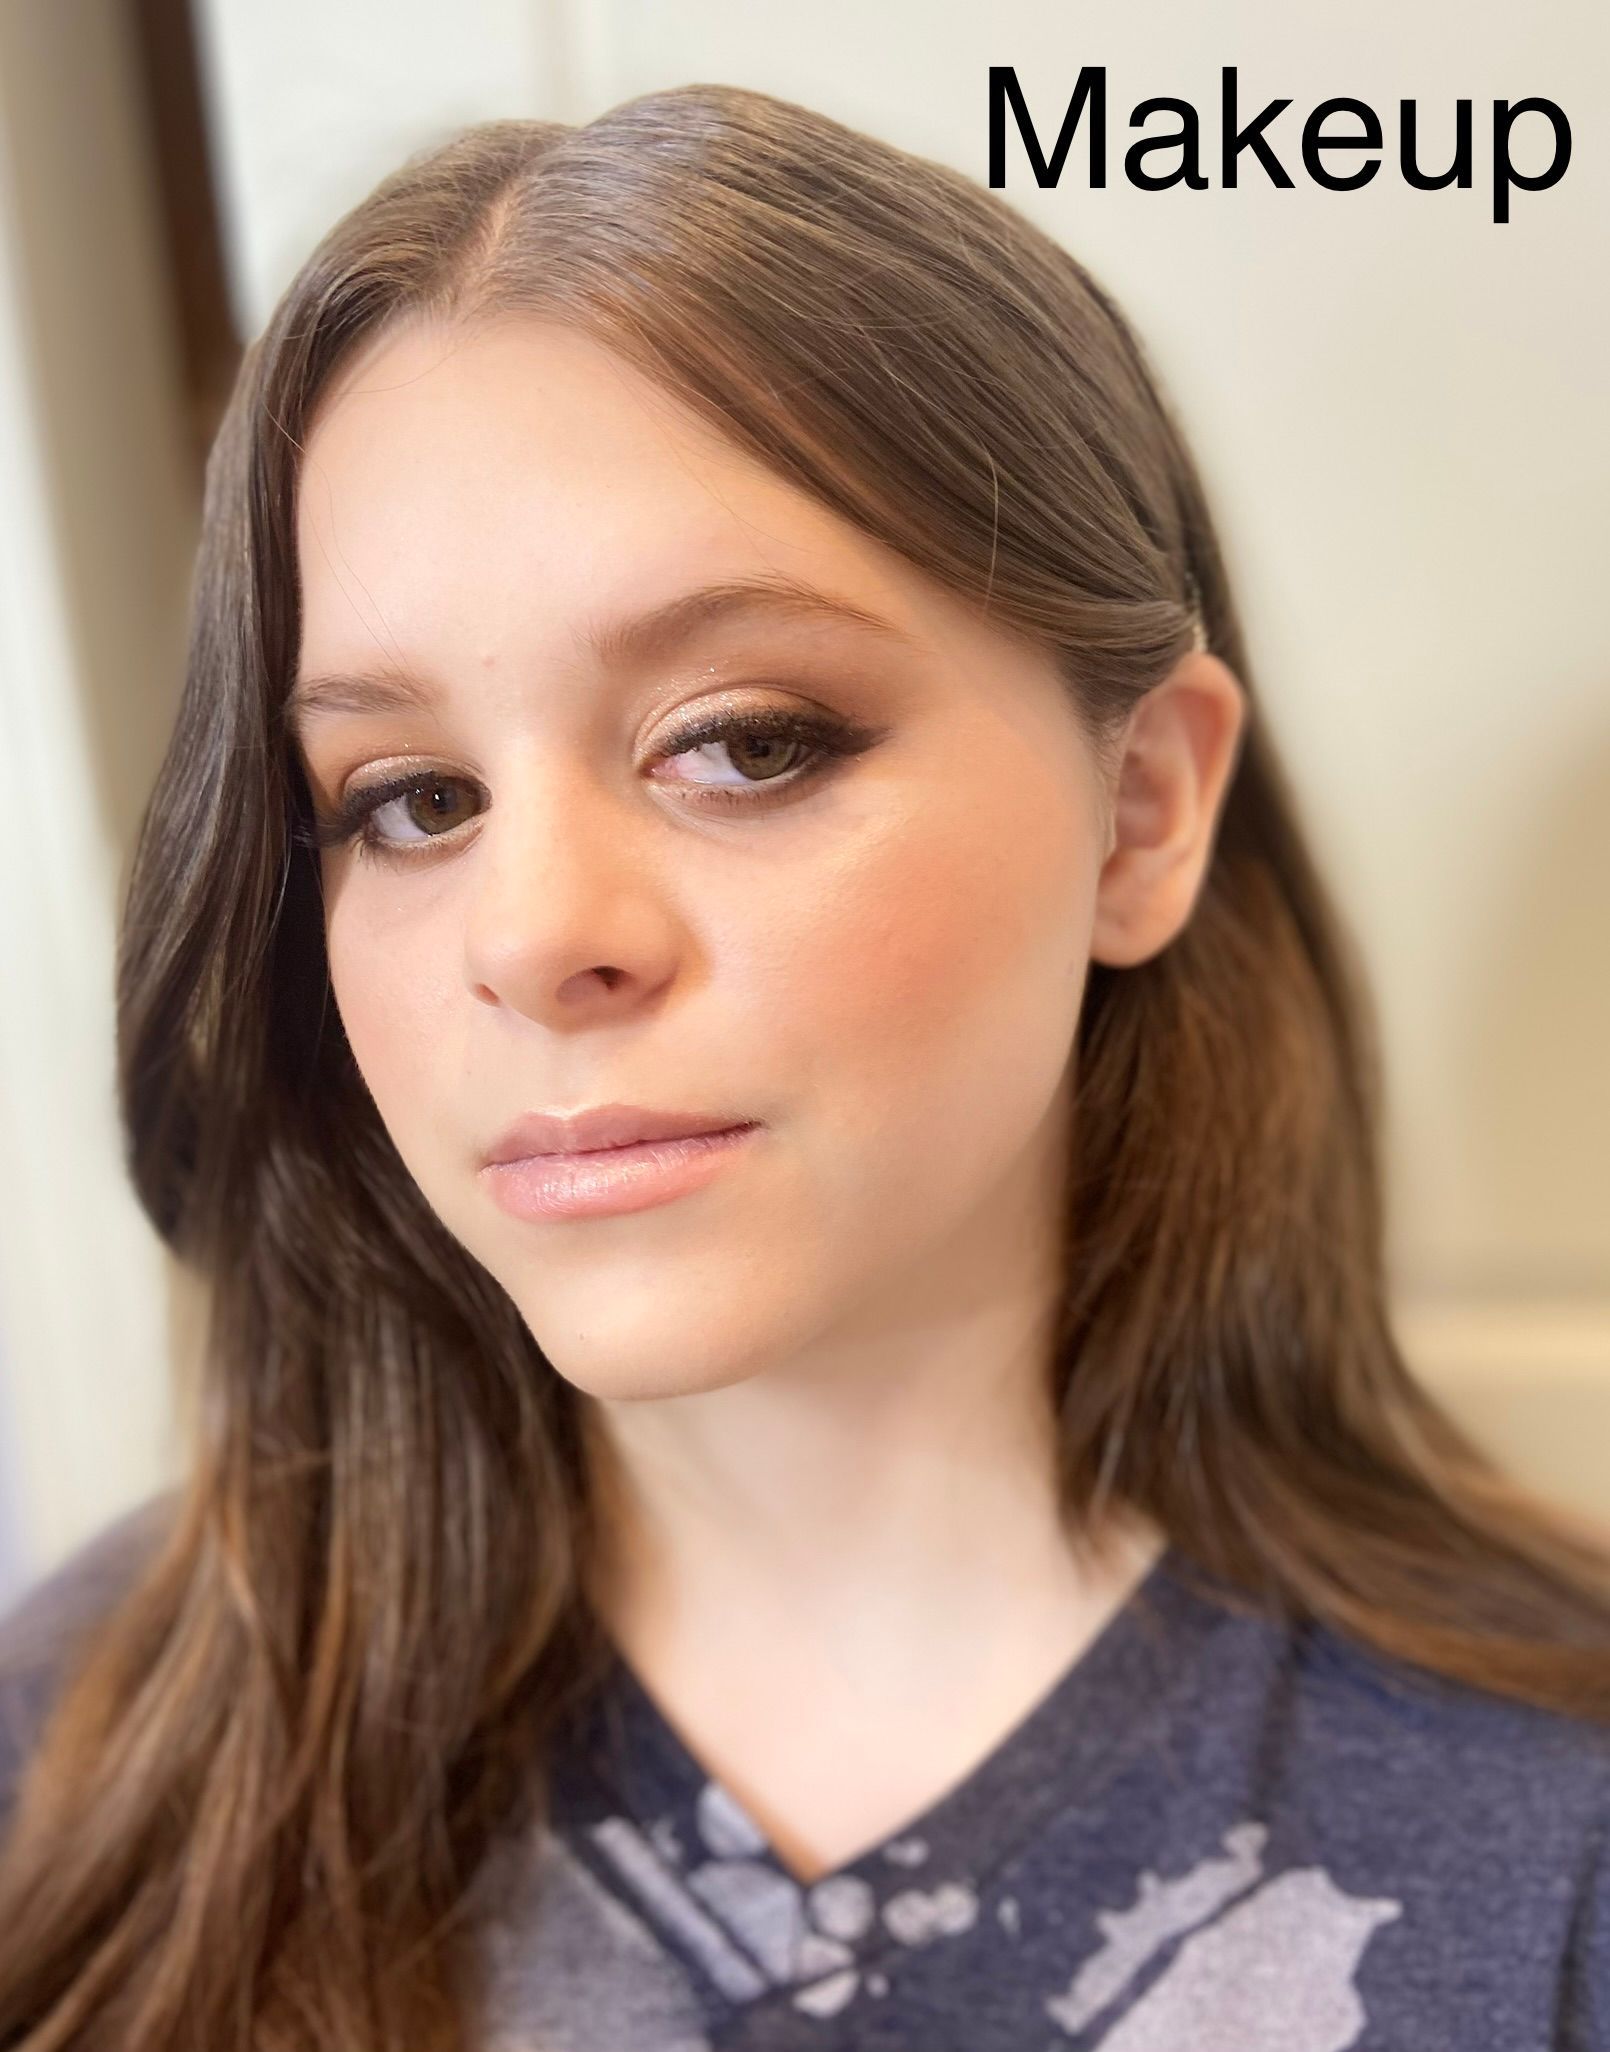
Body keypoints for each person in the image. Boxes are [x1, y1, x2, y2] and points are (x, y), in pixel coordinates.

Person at [0, 80, 1606, 2052]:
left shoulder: (1558, 1840)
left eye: (744, 741)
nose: (532, 934)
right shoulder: (77, 1763)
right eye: (410, 799)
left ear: (1138, 812)